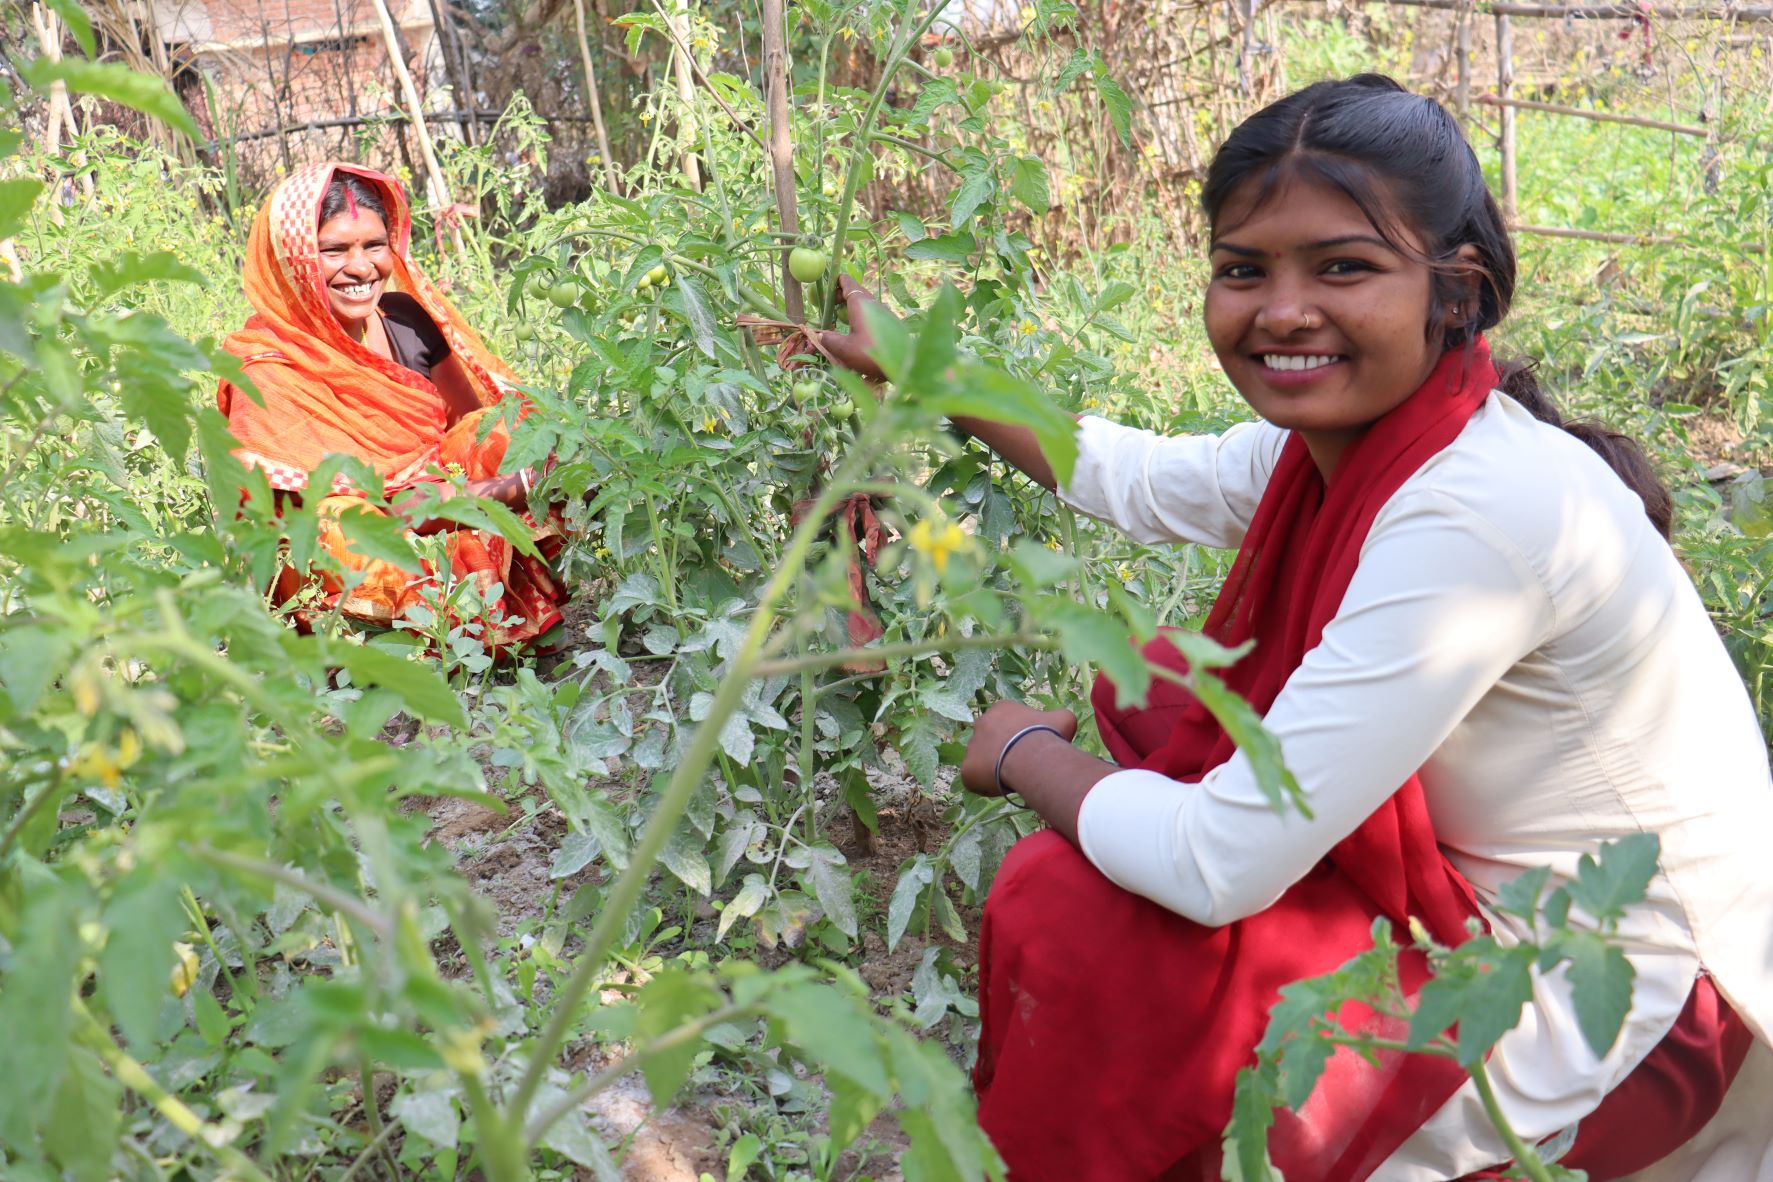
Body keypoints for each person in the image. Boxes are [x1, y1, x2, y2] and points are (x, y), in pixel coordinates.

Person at [822, 76, 1773, 1180]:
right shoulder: (1375, 448)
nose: (1281, 310)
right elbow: (1133, 475)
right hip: (1505, 909)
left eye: (1343, 267)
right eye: (1244, 269)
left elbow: (1218, 862)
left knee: (1079, 909)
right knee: (1143, 789)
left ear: (1453, 289)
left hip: (1621, 997)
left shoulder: (1478, 516)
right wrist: (929, 371)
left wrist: (1027, 754)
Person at [217, 162, 566, 651]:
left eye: (374, 246)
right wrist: (505, 491)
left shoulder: (404, 318)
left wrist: (508, 474)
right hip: (357, 538)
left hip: (436, 494)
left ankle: (485, 607)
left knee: (506, 428)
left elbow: (463, 432)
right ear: (294, 258)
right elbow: (381, 509)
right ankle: (408, 638)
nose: (361, 269)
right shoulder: (267, 368)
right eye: (334, 250)